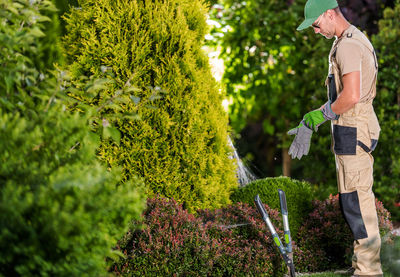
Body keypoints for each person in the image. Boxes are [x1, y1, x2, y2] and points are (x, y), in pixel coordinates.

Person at [287, 0, 383, 276]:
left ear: (329, 14)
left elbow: (351, 96)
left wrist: (319, 117)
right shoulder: (345, 41)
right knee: (352, 200)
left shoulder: (350, 45)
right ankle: (363, 266)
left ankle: (368, 271)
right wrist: (310, 119)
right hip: (349, 129)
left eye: (315, 25)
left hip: (353, 129)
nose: (315, 31)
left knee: (357, 202)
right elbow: (341, 97)